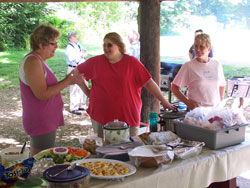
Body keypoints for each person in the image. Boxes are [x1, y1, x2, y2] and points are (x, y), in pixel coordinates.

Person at [77, 32, 175, 138]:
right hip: (101, 115)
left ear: (119, 45)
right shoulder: (95, 62)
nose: (106, 48)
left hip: (128, 115)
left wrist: (164, 102)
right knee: (103, 148)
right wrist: (88, 93)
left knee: (129, 148)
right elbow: (75, 74)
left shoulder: (132, 63)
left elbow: (149, 83)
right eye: (104, 45)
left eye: (109, 45)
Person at [18, 24, 88, 156]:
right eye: (53, 43)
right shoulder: (32, 62)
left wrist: (69, 78)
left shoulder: (39, 60)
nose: (56, 46)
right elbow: (42, 94)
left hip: (46, 119)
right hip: (40, 120)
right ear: (40, 44)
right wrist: (68, 81)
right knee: (40, 159)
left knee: (41, 157)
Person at [171, 33, 226, 110]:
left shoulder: (216, 64)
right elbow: (174, 87)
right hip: (197, 111)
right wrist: (188, 102)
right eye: (196, 46)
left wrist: (221, 100)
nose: (198, 49)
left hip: (215, 110)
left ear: (209, 47)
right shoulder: (188, 66)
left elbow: (222, 84)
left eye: (201, 47)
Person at [65, 31, 88, 115]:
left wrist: (81, 54)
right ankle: (74, 107)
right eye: (74, 36)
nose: (76, 37)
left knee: (84, 85)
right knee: (74, 87)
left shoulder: (78, 45)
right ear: (70, 38)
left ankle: (82, 104)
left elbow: (85, 53)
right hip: (74, 68)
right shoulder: (69, 47)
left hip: (82, 68)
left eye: (76, 36)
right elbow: (75, 59)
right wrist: (81, 54)